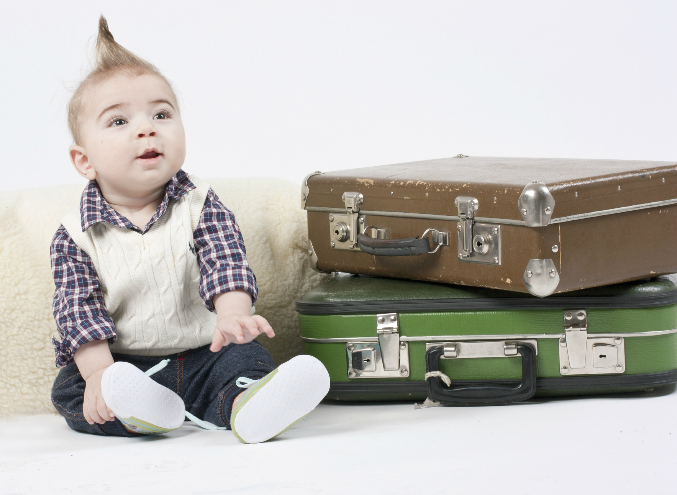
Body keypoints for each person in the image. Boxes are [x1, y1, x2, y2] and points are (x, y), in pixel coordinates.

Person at [50, 15, 329, 444]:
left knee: (245, 357)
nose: (147, 128)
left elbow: (226, 264)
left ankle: (246, 405)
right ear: (84, 160)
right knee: (72, 389)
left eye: (161, 114)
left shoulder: (200, 205)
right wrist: (100, 373)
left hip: (206, 351)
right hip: (124, 364)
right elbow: (78, 312)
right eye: (119, 121)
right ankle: (141, 414)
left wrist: (233, 317)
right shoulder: (75, 235)